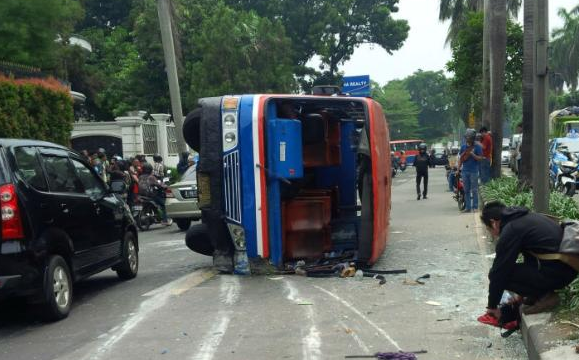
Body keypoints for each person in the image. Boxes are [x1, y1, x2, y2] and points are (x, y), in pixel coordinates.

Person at [481, 202, 577, 317]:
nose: (492, 234)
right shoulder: (527, 217)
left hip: (558, 272)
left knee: (496, 275)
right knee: (506, 272)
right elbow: (532, 257)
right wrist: (522, 293)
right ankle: (538, 294)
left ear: (493, 223)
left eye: (489, 229)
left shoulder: (511, 229)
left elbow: (499, 271)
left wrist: (492, 306)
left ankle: (545, 296)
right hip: (565, 268)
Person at [457, 129, 483, 212]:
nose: (467, 138)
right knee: (466, 190)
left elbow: (480, 158)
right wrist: (458, 169)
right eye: (467, 137)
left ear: (472, 138)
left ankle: (475, 207)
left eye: (469, 137)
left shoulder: (477, 147)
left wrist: (473, 154)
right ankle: (468, 207)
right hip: (465, 171)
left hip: (474, 171)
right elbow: (461, 159)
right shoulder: (463, 147)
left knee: (474, 189)